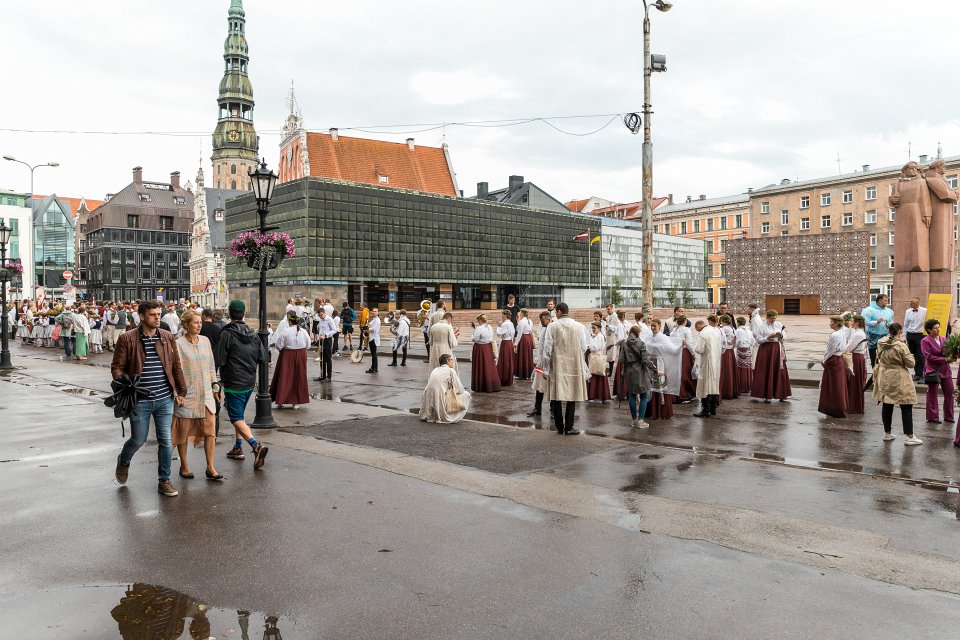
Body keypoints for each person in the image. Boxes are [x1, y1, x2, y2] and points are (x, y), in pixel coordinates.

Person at [112, 300, 188, 497]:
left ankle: (164, 480)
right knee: (138, 439)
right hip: (140, 400)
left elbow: (176, 366)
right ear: (142, 316)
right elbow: (117, 368)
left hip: (164, 398)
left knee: (166, 439)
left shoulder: (166, 337)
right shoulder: (127, 338)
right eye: (153, 314)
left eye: (159, 314)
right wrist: (126, 384)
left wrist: (181, 391)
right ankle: (124, 460)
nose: (157, 318)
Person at [215, 300, 269, 469]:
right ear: (244, 313)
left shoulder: (227, 334)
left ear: (229, 314)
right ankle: (238, 447)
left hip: (233, 381)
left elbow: (219, 359)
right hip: (249, 381)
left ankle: (256, 446)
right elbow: (263, 357)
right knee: (240, 416)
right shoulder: (253, 334)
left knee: (235, 417)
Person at [171, 309, 223, 481]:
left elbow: (210, 366)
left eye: (200, 322)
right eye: (196, 322)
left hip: (206, 394)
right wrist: (177, 392)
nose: (200, 325)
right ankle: (184, 465)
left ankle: (210, 467)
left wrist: (215, 385)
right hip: (187, 395)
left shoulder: (205, 341)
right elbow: (173, 371)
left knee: (210, 431)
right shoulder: (178, 344)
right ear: (186, 325)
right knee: (183, 433)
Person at [542, 302, 589, 435]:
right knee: (572, 395)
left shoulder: (552, 326)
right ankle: (569, 427)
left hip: (558, 363)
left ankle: (559, 426)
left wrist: (546, 367)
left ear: (558, 312)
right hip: (574, 363)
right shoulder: (579, 326)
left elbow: (547, 348)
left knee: (556, 395)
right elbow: (584, 347)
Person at [872, 323, 922, 445]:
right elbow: (911, 364)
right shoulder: (901, 345)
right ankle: (909, 437)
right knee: (906, 404)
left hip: (884, 374)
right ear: (899, 331)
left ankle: (887, 433)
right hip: (899, 376)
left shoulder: (881, 342)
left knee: (887, 403)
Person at [644, 318, 684, 421]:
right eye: (651, 326)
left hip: (659, 364)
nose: (652, 328)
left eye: (655, 326)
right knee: (649, 387)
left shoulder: (663, 338)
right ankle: (649, 411)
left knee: (659, 386)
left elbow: (673, 351)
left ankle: (660, 411)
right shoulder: (648, 337)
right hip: (649, 364)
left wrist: (681, 346)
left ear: (659, 327)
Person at [270, 310, 310, 409]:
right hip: (300, 355)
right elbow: (308, 345)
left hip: (287, 355)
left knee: (284, 377)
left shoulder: (286, 331)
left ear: (290, 322)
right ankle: (296, 402)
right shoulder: (303, 331)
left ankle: (281, 400)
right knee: (298, 377)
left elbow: (279, 346)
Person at [751, 310, 792, 402]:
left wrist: (781, 336)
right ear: (767, 317)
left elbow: (785, 337)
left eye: (774, 318)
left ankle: (781, 394)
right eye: (771, 318)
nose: (773, 320)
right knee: (766, 370)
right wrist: (767, 338)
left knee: (779, 370)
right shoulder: (762, 326)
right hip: (766, 350)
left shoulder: (779, 324)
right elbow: (758, 340)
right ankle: (767, 395)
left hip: (777, 349)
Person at [419, 353, 471, 424]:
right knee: (466, 395)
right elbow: (460, 388)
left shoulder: (435, 370)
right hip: (440, 398)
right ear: (448, 361)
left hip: (429, 398)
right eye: (452, 360)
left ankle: (434, 414)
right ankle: (451, 415)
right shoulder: (451, 370)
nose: (453, 362)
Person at [920, 318, 954, 425]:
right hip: (932, 370)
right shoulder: (924, 341)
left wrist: (952, 354)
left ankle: (949, 416)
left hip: (946, 370)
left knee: (950, 392)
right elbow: (928, 356)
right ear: (929, 330)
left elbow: (950, 351)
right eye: (935, 328)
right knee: (932, 394)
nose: (938, 329)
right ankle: (932, 417)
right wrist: (944, 359)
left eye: (939, 327)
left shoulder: (944, 339)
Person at [621, 325, 654, 428]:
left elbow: (621, 359)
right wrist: (655, 369)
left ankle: (634, 419)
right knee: (644, 395)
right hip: (640, 370)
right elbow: (646, 359)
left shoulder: (625, 344)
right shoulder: (641, 343)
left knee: (632, 395)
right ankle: (640, 420)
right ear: (638, 333)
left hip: (630, 371)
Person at [818, 316, 849, 418]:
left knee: (832, 385)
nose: (830, 323)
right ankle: (838, 407)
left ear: (836, 323)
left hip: (833, 360)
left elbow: (831, 350)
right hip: (838, 359)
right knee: (838, 384)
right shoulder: (842, 333)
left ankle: (833, 408)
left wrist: (824, 360)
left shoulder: (835, 335)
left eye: (831, 322)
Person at [693, 315, 722, 417]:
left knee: (705, 385)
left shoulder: (703, 334)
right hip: (716, 361)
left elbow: (700, 349)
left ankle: (705, 410)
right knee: (713, 384)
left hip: (706, 362)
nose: (697, 331)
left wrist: (695, 348)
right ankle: (713, 408)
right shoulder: (716, 331)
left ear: (699, 326)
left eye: (697, 329)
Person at [527, 311, 552, 417]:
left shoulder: (554, 329)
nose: (541, 323)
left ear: (549, 319)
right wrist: (537, 359)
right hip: (541, 362)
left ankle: (553, 410)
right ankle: (537, 408)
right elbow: (540, 346)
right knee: (538, 386)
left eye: (543, 321)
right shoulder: (543, 329)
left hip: (551, 363)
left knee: (551, 387)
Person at [470, 314, 501, 392]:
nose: (478, 322)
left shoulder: (479, 328)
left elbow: (476, 339)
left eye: (478, 320)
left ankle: (481, 385)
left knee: (480, 365)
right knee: (489, 366)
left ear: (480, 320)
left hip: (480, 348)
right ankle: (492, 385)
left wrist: (472, 336)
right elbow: (491, 337)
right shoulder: (489, 327)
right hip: (488, 347)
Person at [862, 294, 894, 366]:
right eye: (885, 301)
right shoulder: (869, 310)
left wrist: (891, 325)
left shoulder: (889, 311)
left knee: (885, 356)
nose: (887, 302)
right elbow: (865, 322)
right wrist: (876, 322)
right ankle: (874, 373)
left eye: (887, 300)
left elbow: (891, 321)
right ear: (880, 301)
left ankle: (883, 373)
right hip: (873, 336)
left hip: (886, 336)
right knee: (873, 356)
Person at [845, 316, 868, 415]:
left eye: (852, 321)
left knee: (854, 382)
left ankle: (853, 406)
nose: (851, 322)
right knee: (855, 381)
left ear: (857, 323)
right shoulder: (859, 332)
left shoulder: (858, 334)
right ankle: (854, 405)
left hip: (855, 358)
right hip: (859, 357)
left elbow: (849, 348)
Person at [672, 314, 697, 403]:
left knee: (677, 373)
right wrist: (694, 354)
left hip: (675, 352)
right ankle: (685, 393)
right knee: (686, 373)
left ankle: (676, 394)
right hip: (684, 353)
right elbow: (689, 344)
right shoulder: (687, 330)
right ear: (685, 321)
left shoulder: (674, 330)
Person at [902, 297, 927, 381]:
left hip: (920, 335)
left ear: (918, 302)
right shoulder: (908, 311)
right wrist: (904, 337)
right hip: (910, 335)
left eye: (912, 302)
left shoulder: (925, 311)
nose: (910, 303)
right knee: (913, 355)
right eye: (910, 302)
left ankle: (922, 375)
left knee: (921, 355)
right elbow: (905, 325)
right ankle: (917, 374)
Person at [586, 322, 611, 402]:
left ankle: (599, 395)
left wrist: (590, 345)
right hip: (594, 357)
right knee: (593, 375)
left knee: (598, 375)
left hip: (597, 357)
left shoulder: (600, 336)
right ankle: (593, 395)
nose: (593, 330)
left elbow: (597, 348)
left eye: (594, 328)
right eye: (592, 328)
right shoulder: (595, 336)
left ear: (599, 329)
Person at [718, 315, 739, 400]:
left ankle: (725, 390)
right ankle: (730, 390)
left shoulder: (723, 329)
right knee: (730, 370)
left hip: (725, 350)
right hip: (730, 350)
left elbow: (723, 340)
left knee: (725, 370)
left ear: (723, 321)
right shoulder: (732, 328)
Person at [734, 317, 755, 394]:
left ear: (738, 323)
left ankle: (742, 386)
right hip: (748, 349)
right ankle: (748, 386)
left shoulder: (738, 331)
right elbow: (753, 342)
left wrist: (735, 346)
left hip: (741, 349)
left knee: (741, 367)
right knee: (748, 367)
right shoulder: (749, 331)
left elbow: (737, 341)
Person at [314, 308, 336, 381]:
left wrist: (326, 335)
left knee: (327, 358)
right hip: (321, 340)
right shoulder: (321, 320)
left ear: (324, 313)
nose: (320, 316)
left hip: (327, 340)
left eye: (321, 315)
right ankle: (322, 375)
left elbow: (334, 330)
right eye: (319, 316)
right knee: (322, 359)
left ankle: (329, 377)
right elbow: (320, 329)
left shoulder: (329, 319)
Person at [495, 309, 516, 386]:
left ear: (505, 315)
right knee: (509, 361)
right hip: (509, 342)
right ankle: (508, 378)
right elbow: (513, 333)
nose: (501, 316)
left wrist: (498, 327)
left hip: (505, 342)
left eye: (502, 314)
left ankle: (503, 378)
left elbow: (499, 333)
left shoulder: (504, 324)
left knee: (504, 360)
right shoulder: (511, 323)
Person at [514, 309, 534, 380]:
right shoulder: (530, 321)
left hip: (523, 339)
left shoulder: (522, 322)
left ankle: (522, 373)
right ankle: (528, 373)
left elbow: (519, 333)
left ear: (522, 313)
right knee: (527, 355)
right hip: (528, 338)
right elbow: (531, 330)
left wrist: (516, 343)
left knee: (522, 355)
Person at [365, 307, 381, 373]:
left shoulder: (377, 320)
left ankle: (373, 368)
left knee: (374, 354)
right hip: (372, 338)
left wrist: (367, 329)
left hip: (374, 338)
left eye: (375, 311)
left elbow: (374, 329)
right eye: (373, 311)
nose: (374, 312)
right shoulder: (374, 319)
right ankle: (374, 368)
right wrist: (367, 324)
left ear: (378, 312)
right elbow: (370, 324)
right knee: (373, 354)